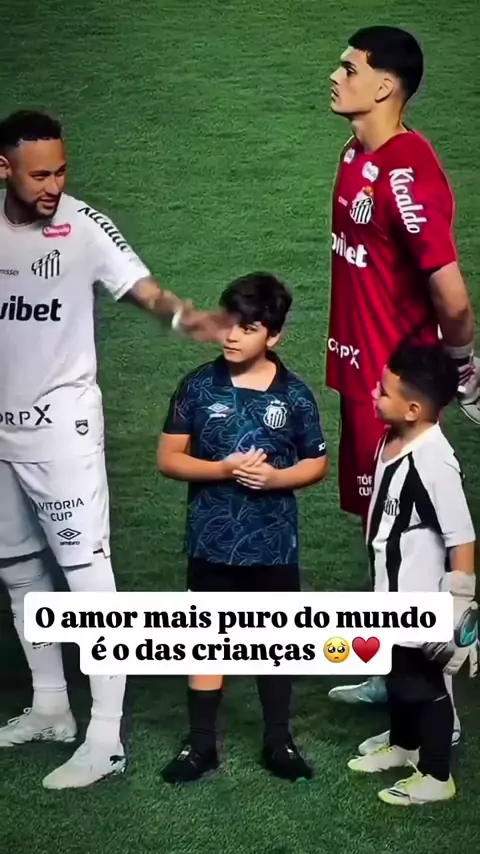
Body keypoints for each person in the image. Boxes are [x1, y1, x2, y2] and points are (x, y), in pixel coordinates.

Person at [0, 109, 229, 790]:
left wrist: (188, 318)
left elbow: (142, 289)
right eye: (40, 174)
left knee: (88, 579)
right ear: (4, 169)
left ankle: (105, 739)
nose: (54, 185)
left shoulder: (83, 226)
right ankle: (50, 708)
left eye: (61, 171)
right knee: (17, 568)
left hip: (61, 433)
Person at [325, 25, 478, 711]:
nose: (336, 76)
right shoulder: (355, 151)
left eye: (349, 68)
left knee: (413, 543)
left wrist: (460, 367)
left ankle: (432, 701)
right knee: (380, 533)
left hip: (396, 387)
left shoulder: (405, 173)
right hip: (359, 376)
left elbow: (453, 297)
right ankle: (392, 670)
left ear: (385, 85)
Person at [157, 272, 329, 784]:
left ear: (273, 336)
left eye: (247, 328)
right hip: (211, 540)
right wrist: (222, 469)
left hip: (273, 543)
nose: (231, 336)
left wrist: (275, 478)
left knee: (275, 639)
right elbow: (169, 458)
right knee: (205, 639)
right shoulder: (196, 386)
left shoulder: (295, 396)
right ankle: (201, 745)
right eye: (228, 323)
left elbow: (316, 462)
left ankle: (279, 741)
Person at [347, 341, 477, 805]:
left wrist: (459, 608)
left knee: (423, 685)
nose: (374, 393)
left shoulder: (435, 462)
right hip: (389, 593)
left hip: (419, 601)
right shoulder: (394, 438)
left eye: (384, 391)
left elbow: (462, 537)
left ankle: (437, 775)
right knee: (396, 673)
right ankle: (404, 746)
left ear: (414, 408)